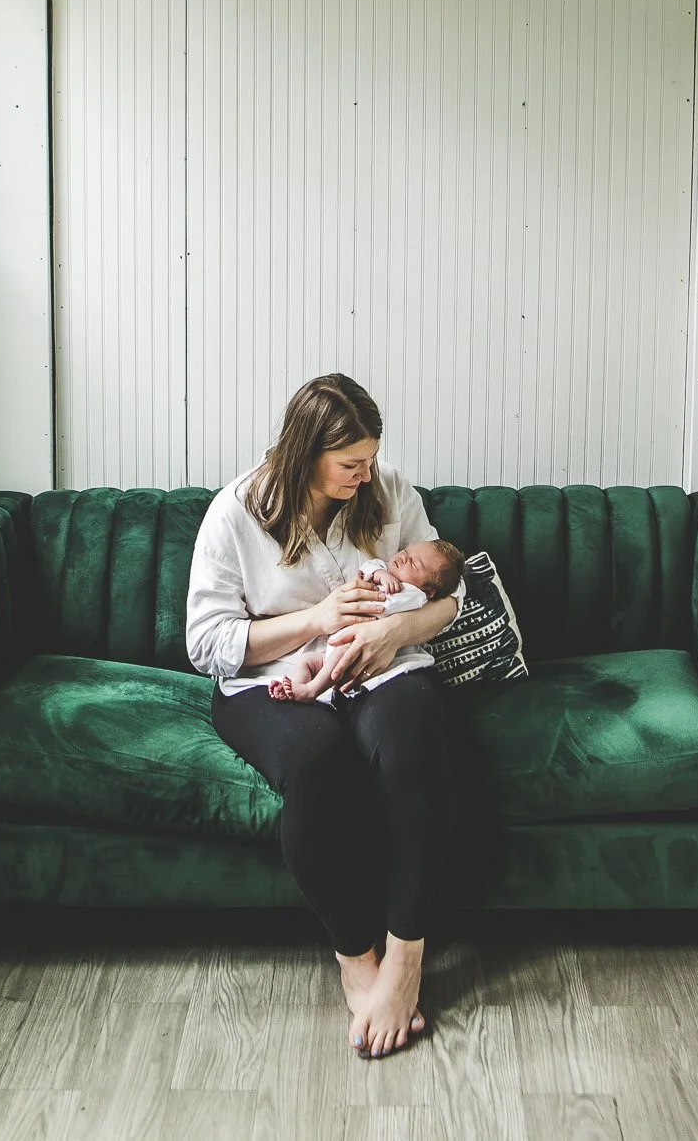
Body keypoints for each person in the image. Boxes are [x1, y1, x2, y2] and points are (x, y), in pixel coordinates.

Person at [186, 374, 464, 1060]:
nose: (366, 474)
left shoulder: (388, 490)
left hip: (382, 664)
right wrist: (316, 618)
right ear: (305, 453)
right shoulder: (236, 513)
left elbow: (450, 598)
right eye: (350, 464)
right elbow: (206, 643)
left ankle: (405, 956)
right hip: (273, 678)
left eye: (371, 457)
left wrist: (394, 632)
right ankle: (355, 957)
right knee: (316, 760)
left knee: (413, 732)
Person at [268, 541, 465, 703]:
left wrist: (373, 585)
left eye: (414, 564)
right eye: (406, 551)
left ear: (429, 591)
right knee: (308, 660)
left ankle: (311, 690)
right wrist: (380, 576)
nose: (404, 557)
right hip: (331, 647)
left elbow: (384, 605)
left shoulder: (415, 595)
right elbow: (370, 567)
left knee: (343, 653)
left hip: (357, 648)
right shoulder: (385, 569)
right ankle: (296, 686)